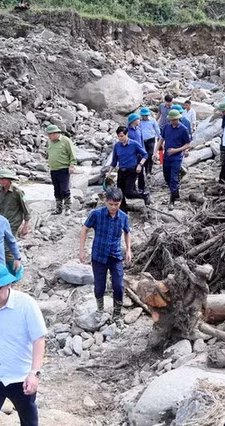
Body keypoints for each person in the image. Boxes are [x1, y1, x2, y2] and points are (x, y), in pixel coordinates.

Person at [0, 262, 46, 426]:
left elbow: (38, 338)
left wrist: (34, 373)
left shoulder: (26, 304)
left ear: (8, 284)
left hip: (20, 378)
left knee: (29, 422)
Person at [79, 186, 132, 326]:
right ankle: (100, 309)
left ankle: (117, 314)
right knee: (99, 286)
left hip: (115, 256)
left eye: (116, 204)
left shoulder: (123, 217)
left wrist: (128, 250)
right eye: (111, 204)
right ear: (105, 201)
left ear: (120, 202)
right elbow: (84, 229)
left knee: (119, 286)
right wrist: (82, 250)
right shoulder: (96, 214)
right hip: (99, 256)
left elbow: (127, 232)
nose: (113, 207)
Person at [0, 169, 30, 271]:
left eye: (3, 179)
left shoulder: (17, 192)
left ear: (9, 180)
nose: (1, 181)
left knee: (8, 247)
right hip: (0, 221)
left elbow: (26, 209)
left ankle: (13, 270)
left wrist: (26, 225)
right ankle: (5, 267)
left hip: (13, 222)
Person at [110, 126, 151, 211]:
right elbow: (114, 161)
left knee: (128, 193)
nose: (120, 138)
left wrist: (140, 164)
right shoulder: (117, 146)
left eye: (122, 136)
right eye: (119, 136)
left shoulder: (134, 144)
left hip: (132, 171)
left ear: (127, 134)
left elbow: (145, 155)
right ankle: (123, 209)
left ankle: (144, 194)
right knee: (120, 193)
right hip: (121, 171)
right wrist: (109, 173)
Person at [158, 109, 191, 204]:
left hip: (177, 157)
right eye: (171, 120)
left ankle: (172, 199)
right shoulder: (166, 127)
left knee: (173, 178)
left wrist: (176, 150)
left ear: (178, 119)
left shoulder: (183, 129)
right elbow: (161, 139)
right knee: (166, 176)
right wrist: (155, 151)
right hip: (166, 156)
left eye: (174, 120)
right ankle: (176, 193)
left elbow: (188, 144)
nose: (173, 121)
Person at [45, 124, 75, 215]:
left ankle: (67, 208)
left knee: (64, 189)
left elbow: (72, 153)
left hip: (64, 168)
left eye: (50, 134)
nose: (48, 136)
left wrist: (72, 165)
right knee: (56, 189)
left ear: (55, 133)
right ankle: (58, 208)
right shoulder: (49, 142)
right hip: (53, 169)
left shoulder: (66, 141)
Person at [138, 107, 161, 179]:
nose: (144, 117)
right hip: (142, 140)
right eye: (143, 116)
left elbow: (157, 129)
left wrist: (160, 138)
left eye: (145, 115)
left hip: (151, 139)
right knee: (144, 155)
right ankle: (145, 170)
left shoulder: (152, 120)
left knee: (150, 154)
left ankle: (149, 171)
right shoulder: (139, 121)